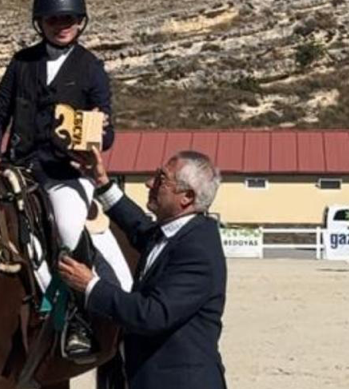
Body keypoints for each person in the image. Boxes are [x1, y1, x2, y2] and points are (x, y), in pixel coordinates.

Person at [0, 0, 114, 361]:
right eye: (54, 18)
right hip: (18, 167)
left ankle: (74, 318)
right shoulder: (22, 63)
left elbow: (108, 132)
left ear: (80, 21)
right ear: (40, 22)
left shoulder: (91, 69)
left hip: (65, 173)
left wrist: (95, 137)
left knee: (69, 228)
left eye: (69, 18)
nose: (62, 24)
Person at [59, 148, 227, 389]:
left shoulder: (197, 249)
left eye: (161, 180)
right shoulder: (173, 232)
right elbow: (138, 226)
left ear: (186, 197)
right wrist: (102, 182)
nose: (150, 183)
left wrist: (90, 286)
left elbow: (152, 314)